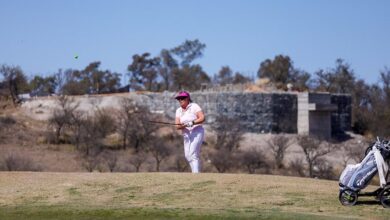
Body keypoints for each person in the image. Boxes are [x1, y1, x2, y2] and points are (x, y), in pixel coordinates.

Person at [175, 91, 205, 173]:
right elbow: (177, 126)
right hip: (186, 134)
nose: (180, 100)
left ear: (187, 98)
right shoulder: (178, 111)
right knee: (187, 155)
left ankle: (196, 174)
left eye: (182, 98)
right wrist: (184, 125)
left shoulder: (194, 106)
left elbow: (202, 118)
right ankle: (195, 172)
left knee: (193, 153)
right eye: (179, 99)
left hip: (197, 131)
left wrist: (192, 123)